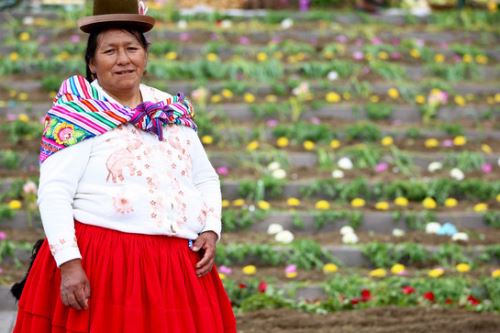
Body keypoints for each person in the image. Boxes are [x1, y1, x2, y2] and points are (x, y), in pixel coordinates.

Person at [11, 0, 237, 332]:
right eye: (109, 51)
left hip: (175, 269)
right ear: (92, 62)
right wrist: (69, 263)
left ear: (145, 56)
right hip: (106, 267)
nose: (123, 59)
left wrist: (210, 227)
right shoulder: (77, 116)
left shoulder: (170, 112)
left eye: (131, 48)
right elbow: (55, 192)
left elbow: (204, 178)